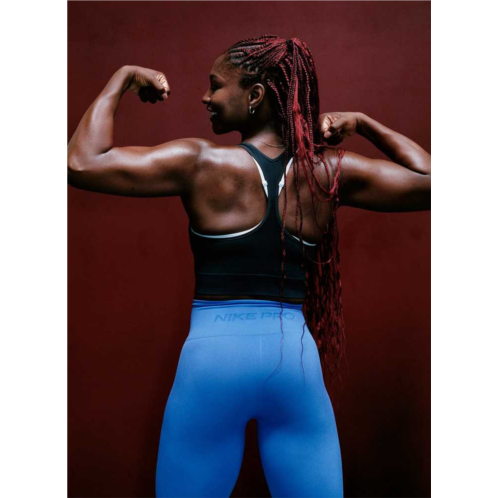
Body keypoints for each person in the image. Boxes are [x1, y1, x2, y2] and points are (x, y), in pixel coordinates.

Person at [67, 35, 431, 498]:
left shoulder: (200, 162)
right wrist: (363, 124)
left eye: (216, 85)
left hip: (212, 363)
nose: (206, 97)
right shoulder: (326, 173)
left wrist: (123, 78)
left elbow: (82, 162)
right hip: (294, 364)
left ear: (255, 95)